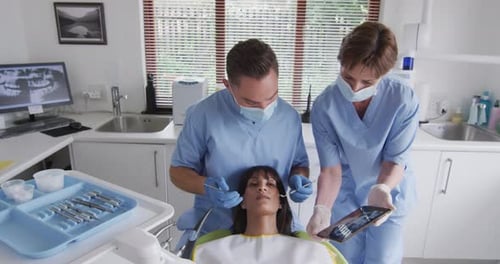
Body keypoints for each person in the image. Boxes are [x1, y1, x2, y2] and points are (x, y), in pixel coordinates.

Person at [170, 39, 313, 250]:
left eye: (272, 97)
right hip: (218, 228)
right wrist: (206, 187)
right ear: (228, 85)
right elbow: (178, 172)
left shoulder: (289, 117)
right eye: (252, 103)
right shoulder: (203, 115)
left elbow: (299, 163)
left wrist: (299, 178)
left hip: (275, 230)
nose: (264, 108)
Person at [306, 21, 420, 263]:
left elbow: (395, 160)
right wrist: (322, 209)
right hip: (345, 195)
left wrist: (381, 189)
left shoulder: (402, 99)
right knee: (345, 257)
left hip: (387, 195)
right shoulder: (325, 106)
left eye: (367, 82)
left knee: (383, 258)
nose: (354, 87)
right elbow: (331, 170)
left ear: (384, 74)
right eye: (347, 76)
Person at [192, 166, 345, 264]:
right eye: (253, 184)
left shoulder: (312, 251)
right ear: (242, 201)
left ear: (280, 202)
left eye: (270, 184)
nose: (262, 188)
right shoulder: (211, 251)